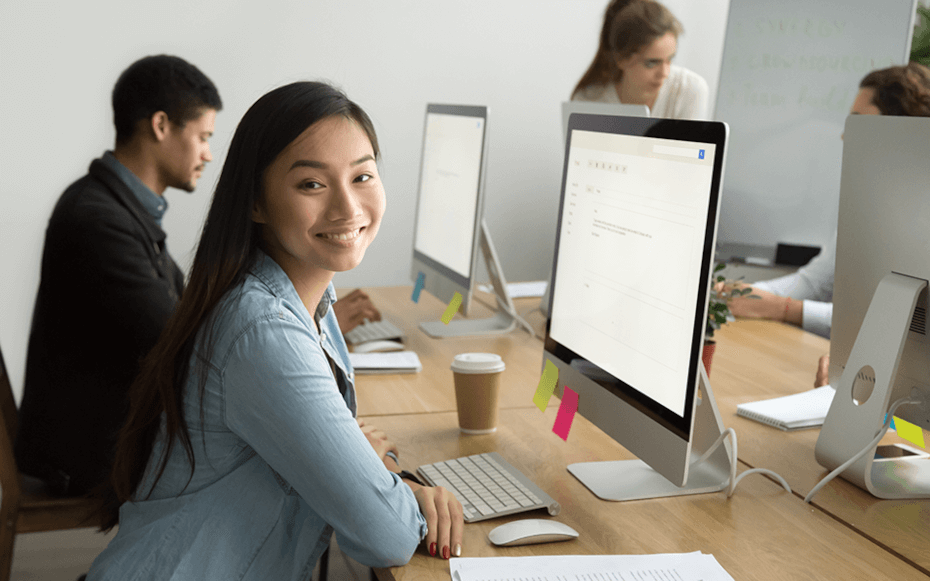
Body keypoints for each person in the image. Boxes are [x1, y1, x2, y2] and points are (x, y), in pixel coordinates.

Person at [86, 82, 462, 579]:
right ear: (256, 203)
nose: (347, 208)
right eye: (312, 184)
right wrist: (389, 484)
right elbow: (385, 535)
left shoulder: (309, 305)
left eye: (363, 176)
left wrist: (379, 478)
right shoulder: (263, 331)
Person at [15, 55, 222, 497]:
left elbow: (186, 317)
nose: (208, 153)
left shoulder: (121, 210)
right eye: (203, 136)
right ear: (161, 125)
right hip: (87, 452)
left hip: (106, 432)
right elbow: (178, 341)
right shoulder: (97, 220)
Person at [726, 62, 930, 350]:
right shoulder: (865, 200)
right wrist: (743, 294)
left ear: (899, 129)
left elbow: (899, 325)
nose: (844, 135)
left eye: (858, 121)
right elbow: (816, 282)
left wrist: (784, 309)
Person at [571, 0, 709, 120]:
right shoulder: (589, 100)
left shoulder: (690, 90)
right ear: (621, 59)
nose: (665, 73)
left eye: (670, 59)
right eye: (652, 63)